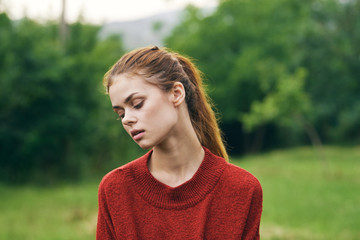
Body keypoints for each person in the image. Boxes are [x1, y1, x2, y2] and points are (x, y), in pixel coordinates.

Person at [96, 46, 262, 239]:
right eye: (121, 113)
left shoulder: (242, 189)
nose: (127, 120)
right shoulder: (115, 189)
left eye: (137, 104)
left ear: (176, 93)